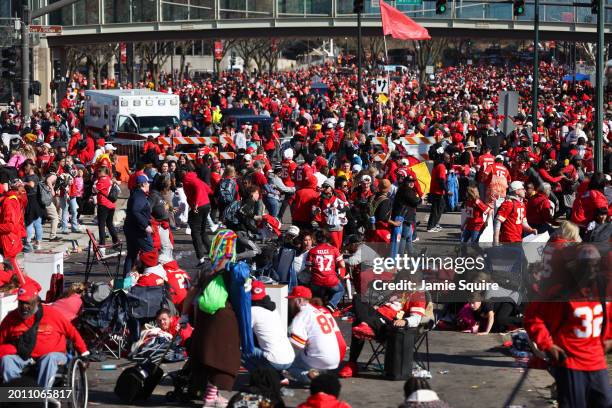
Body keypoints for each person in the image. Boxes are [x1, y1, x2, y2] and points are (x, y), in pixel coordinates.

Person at [524, 245, 612, 408]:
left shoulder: (602, 289)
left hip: (597, 362)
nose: (591, 270)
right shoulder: (562, 293)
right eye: (587, 265)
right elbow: (532, 316)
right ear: (577, 267)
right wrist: (548, 345)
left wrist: (609, 338)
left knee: (605, 403)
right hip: (571, 363)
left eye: (595, 265)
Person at [0, 281, 89, 389]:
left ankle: (42, 395)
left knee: (49, 358)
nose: (23, 306)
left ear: (36, 302)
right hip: (24, 357)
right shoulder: (11, 318)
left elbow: (72, 332)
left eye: (27, 303)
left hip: (54, 356)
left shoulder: (52, 314)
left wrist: (84, 353)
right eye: (21, 302)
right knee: (7, 360)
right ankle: (16, 395)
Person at [339, 291, 426, 378]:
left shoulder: (418, 294)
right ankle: (365, 325)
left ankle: (352, 364)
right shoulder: (396, 289)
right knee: (358, 296)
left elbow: (417, 318)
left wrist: (405, 321)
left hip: (388, 325)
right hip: (375, 316)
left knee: (358, 323)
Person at [286, 286, 346, 385]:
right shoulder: (319, 311)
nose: (290, 303)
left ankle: (311, 377)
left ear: (299, 300)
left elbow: (298, 345)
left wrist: (284, 338)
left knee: (288, 364)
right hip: (336, 357)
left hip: (320, 358)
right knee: (303, 354)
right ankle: (320, 373)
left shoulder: (302, 315)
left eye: (291, 300)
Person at [243, 280, 294, 372]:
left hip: (274, 361)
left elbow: (243, 333)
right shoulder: (273, 310)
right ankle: (279, 377)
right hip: (290, 359)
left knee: (240, 349)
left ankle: (261, 378)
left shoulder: (252, 311)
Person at [180, 167, 214, 265]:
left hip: (199, 206)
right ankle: (212, 253)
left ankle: (201, 259)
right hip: (206, 205)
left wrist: (197, 202)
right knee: (202, 231)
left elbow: (199, 187)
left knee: (195, 233)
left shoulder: (187, 179)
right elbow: (207, 189)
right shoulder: (195, 178)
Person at [306, 230, 346, 312]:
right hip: (331, 280)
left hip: (317, 281)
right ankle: (331, 304)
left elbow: (309, 269)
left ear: (316, 239)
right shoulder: (334, 249)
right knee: (341, 290)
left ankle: (316, 308)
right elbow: (342, 265)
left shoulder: (312, 251)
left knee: (316, 293)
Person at [123, 174, 153, 275]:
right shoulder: (139, 196)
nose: (149, 185)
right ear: (143, 184)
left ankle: (126, 279)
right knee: (150, 252)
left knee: (131, 255)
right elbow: (135, 211)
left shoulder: (136, 194)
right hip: (138, 231)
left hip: (130, 228)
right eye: (148, 183)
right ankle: (150, 276)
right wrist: (146, 225)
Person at [94, 166, 119, 256]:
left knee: (101, 225)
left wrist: (95, 183)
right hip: (111, 205)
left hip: (103, 204)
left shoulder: (102, 180)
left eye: (99, 172)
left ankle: (102, 245)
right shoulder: (109, 179)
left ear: (103, 173)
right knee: (109, 223)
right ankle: (116, 240)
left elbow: (95, 189)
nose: (98, 173)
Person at [427, 153, 449, 232]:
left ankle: (434, 224)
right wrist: (447, 190)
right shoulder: (441, 166)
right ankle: (430, 226)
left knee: (439, 208)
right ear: (444, 158)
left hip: (435, 190)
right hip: (437, 191)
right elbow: (441, 180)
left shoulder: (438, 165)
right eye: (448, 158)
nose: (449, 160)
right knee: (436, 209)